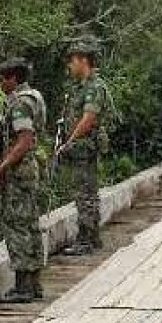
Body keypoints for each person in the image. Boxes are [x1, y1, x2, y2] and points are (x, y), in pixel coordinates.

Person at [0, 57, 47, 303]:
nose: (1, 83)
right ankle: (33, 283)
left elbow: (24, 140)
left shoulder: (20, 104)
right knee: (30, 223)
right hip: (28, 169)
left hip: (19, 172)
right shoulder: (35, 97)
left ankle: (23, 286)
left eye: (4, 78)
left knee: (17, 225)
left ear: (14, 78)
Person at [57, 36, 111, 255]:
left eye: (73, 61)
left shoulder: (93, 87)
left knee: (84, 192)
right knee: (87, 191)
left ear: (83, 61)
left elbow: (88, 119)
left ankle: (86, 239)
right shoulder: (80, 88)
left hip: (85, 146)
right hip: (81, 146)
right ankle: (92, 236)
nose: (70, 66)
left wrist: (69, 142)